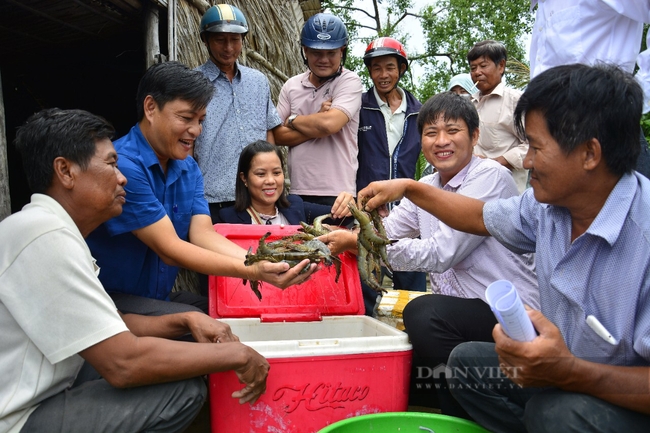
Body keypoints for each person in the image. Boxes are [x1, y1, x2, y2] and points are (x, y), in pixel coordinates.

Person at [358, 63, 650, 432]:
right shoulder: (546, 208)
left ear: (590, 154)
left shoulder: (643, 237)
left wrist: (572, 372)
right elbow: (479, 217)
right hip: (560, 370)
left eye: (536, 148)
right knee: (466, 364)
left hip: (617, 399)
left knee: (556, 414)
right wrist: (411, 189)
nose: (525, 162)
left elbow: (444, 249)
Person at [1, 107, 270, 433]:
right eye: (112, 164)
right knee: (179, 392)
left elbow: (110, 325)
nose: (122, 176)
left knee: (185, 339)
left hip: (54, 388)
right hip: (20, 417)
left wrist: (186, 319)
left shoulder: (51, 230)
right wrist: (238, 354)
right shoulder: (43, 235)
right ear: (66, 171)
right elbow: (124, 363)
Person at [324, 92, 538, 416]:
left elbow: (442, 253)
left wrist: (362, 242)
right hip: (464, 315)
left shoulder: (491, 178)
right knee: (405, 377)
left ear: (474, 136)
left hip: (510, 313)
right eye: (431, 132)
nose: (441, 141)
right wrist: (356, 230)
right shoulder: (427, 184)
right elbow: (386, 233)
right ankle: (451, 410)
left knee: (424, 313)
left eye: (452, 131)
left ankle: (472, 416)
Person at [86, 62, 315, 316]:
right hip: (109, 302)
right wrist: (252, 270)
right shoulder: (123, 166)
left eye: (201, 120)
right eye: (185, 118)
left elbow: (203, 234)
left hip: (156, 298)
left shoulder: (188, 168)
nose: (195, 130)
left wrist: (261, 262)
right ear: (150, 108)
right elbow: (170, 249)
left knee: (231, 318)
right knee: (207, 330)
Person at [529, 0, 650, 178]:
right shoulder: (542, 7)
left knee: (627, 205)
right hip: (550, 135)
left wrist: (637, 94)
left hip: (605, 129)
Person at [193, 4, 282, 220]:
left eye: (235, 39)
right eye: (220, 40)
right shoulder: (193, 84)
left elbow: (268, 132)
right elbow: (187, 142)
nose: (228, 47)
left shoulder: (258, 81)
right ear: (205, 39)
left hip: (256, 199)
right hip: (213, 198)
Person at [357, 36, 427, 294]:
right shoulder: (358, 107)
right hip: (367, 214)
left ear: (401, 69)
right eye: (376, 68)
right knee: (366, 288)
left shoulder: (420, 112)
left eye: (389, 67)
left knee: (413, 294)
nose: (383, 74)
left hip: (407, 214)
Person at [273, 12, 363, 206]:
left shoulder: (349, 81)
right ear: (305, 50)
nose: (324, 59)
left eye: (331, 53)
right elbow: (274, 135)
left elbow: (330, 124)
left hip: (339, 194)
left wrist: (293, 120)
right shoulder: (291, 85)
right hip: (297, 190)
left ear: (342, 51)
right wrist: (317, 120)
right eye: (316, 52)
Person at [219, 140, 352, 225]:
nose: (271, 181)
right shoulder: (227, 218)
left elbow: (343, 218)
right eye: (261, 174)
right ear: (244, 178)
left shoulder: (296, 207)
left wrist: (348, 205)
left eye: (276, 173)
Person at [468, 40, 529, 193]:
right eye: (473, 68)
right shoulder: (468, 104)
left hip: (505, 193)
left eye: (483, 66)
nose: (477, 72)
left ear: (501, 66)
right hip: (470, 191)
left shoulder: (516, 101)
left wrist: (494, 163)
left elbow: (533, 144)